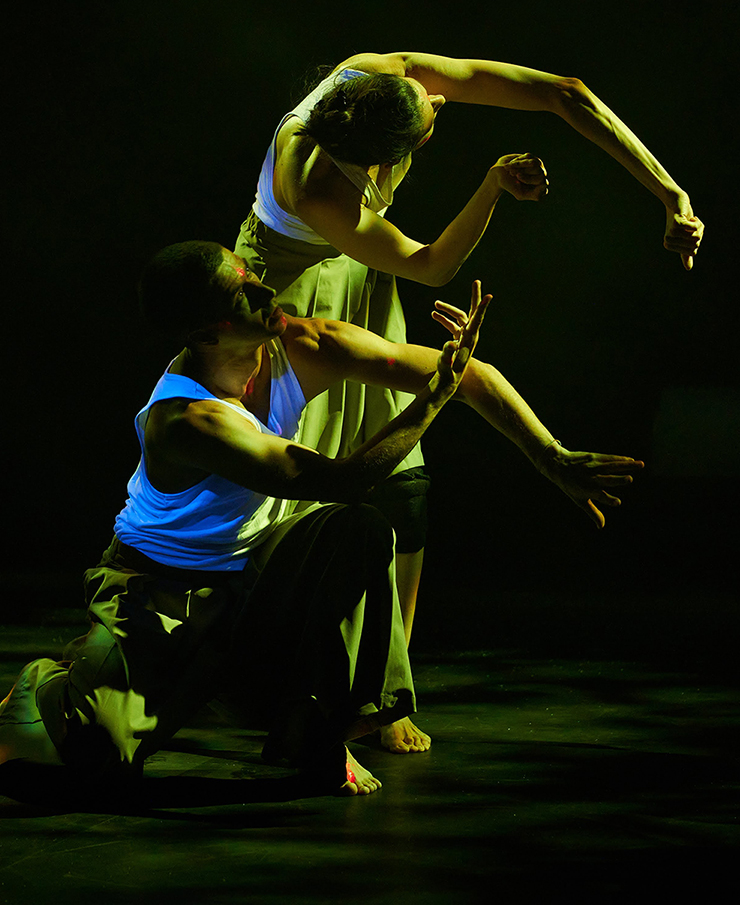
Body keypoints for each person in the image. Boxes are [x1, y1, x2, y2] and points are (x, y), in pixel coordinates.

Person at [0, 241, 642, 799]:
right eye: (242, 290)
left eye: (252, 273)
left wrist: (550, 457)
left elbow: (466, 374)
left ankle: (321, 732)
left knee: (356, 528)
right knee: (90, 770)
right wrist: (431, 404)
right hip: (160, 587)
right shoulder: (190, 421)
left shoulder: (301, 344)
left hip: (251, 569)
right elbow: (336, 477)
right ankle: (53, 680)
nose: (264, 288)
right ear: (208, 332)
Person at [234, 49, 700, 753]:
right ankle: (261, 680)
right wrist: (488, 188)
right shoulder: (315, 189)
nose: (441, 103)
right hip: (291, 291)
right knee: (284, 495)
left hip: (362, 271)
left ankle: (385, 693)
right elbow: (431, 265)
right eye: (431, 118)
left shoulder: (379, 74)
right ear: (388, 153)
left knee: (406, 487)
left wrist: (670, 194)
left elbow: (564, 92)